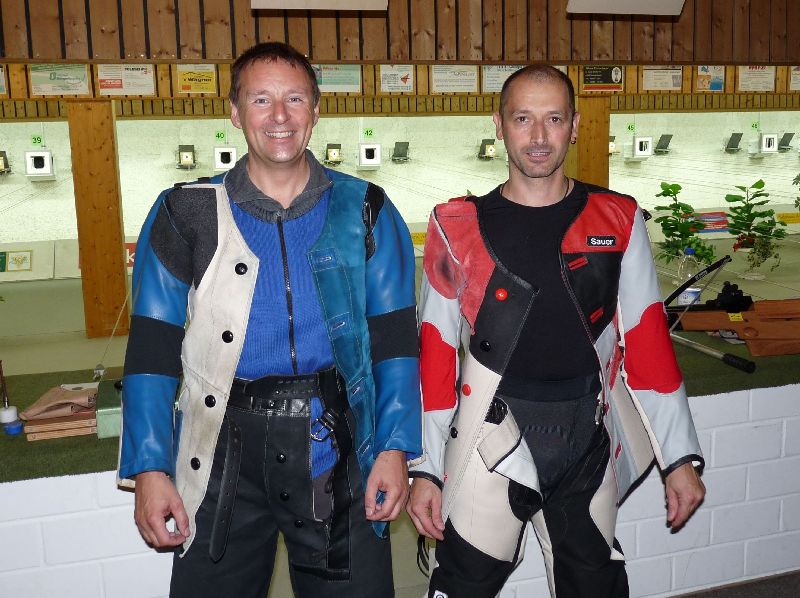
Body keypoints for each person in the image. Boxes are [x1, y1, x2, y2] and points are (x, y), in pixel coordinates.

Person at [118, 41, 422, 598]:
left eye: (294, 99)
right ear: (235, 113)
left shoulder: (366, 208)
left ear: (316, 110)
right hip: (219, 457)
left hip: (336, 452)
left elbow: (396, 342)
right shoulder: (184, 211)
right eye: (261, 99)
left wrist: (395, 448)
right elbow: (151, 350)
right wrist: (149, 468)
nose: (279, 116)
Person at [406, 65, 705, 598]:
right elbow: (433, 358)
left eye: (554, 119)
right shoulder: (454, 226)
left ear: (575, 125)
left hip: (585, 442)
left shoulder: (619, 219)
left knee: (594, 586)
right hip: (489, 438)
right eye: (523, 118)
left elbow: (648, 343)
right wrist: (425, 469)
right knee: (463, 585)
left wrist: (679, 458)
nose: (539, 136)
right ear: (499, 124)